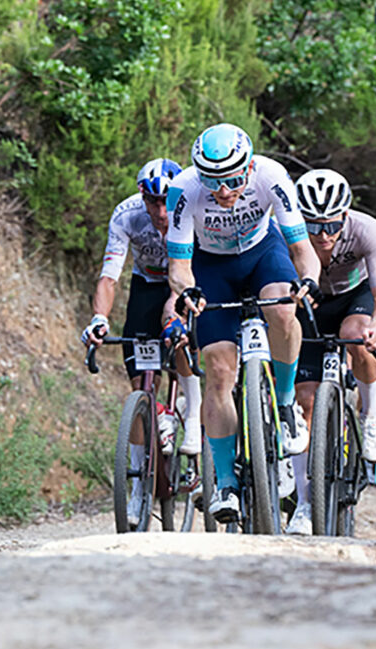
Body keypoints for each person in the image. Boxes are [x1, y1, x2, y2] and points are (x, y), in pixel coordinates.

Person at [166, 123, 322, 524]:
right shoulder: (183, 189)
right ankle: (225, 482)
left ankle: (284, 402)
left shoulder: (272, 175)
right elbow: (179, 266)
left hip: (262, 252)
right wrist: (187, 290)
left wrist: (308, 280)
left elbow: (301, 247)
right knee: (219, 372)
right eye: (212, 182)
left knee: (283, 309)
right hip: (211, 265)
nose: (223, 191)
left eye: (233, 181)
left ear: (250, 168)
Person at [81, 157, 202, 524]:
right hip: (146, 284)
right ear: (142, 197)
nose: (161, 212)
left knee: (177, 332)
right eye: (153, 202)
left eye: (166, 202)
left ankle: (191, 411)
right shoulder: (127, 215)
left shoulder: (191, 207)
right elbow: (109, 277)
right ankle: (138, 487)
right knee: (139, 384)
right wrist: (99, 318)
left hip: (187, 279)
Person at [285, 169, 376, 536]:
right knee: (305, 401)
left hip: (353, 298)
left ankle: (371, 414)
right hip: (310, 301)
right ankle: (304, 504)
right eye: (313, 227)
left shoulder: (367, 229)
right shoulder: (286, 229)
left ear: (345, 215)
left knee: (356, 335)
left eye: (331, 225)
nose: (323, 235)